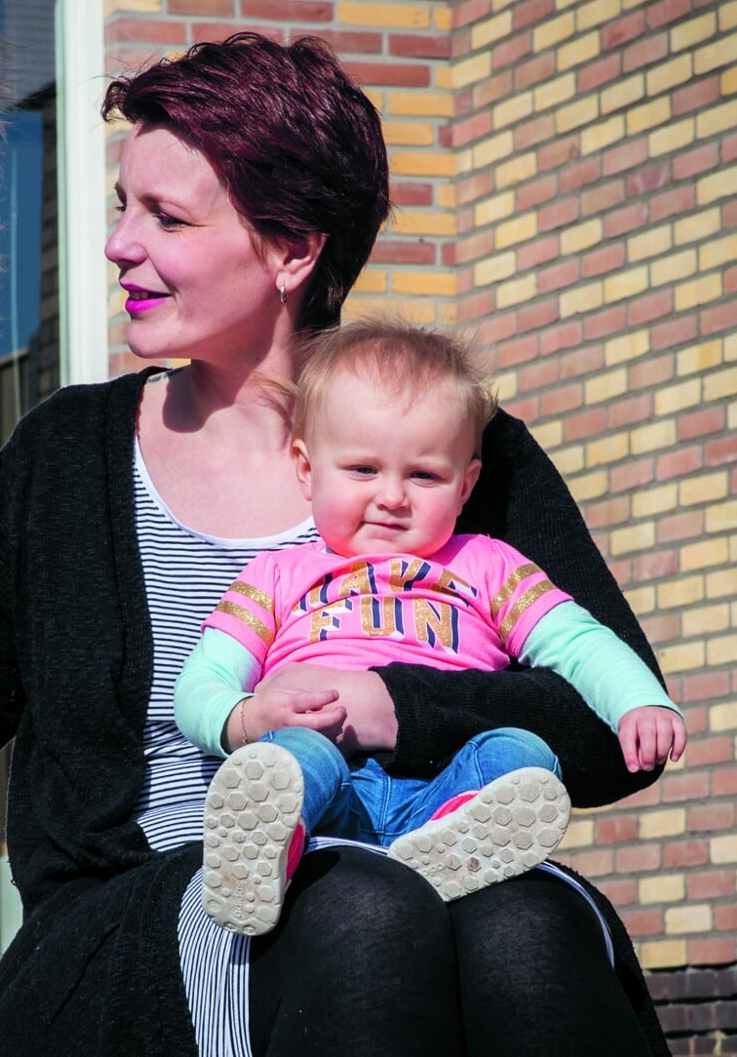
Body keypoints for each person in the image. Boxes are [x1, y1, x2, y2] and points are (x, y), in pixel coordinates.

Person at [0, 32, 672, 1056]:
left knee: (526, 924)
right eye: (121, 207)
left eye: (166, 217)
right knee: (361, 907)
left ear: (292, 251)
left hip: (426, 864)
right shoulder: (68, 457)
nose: (118, 245)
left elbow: (607, 721)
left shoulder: (460, 452)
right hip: (127, 934)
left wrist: (397, 707)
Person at [171, 318, 686, 937]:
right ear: (308, 470)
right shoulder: (279, 575)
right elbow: (202, 678)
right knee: (290, 761)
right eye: (363, 469)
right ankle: (271, 853)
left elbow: (579, 642)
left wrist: (640, 702)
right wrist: (246, 719)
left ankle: (458, 843)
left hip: (444, 777)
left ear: (466, 485)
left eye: (424, 476)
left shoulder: (488, 563)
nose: (392, 496)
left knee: (523, 755)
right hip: (331, 774)